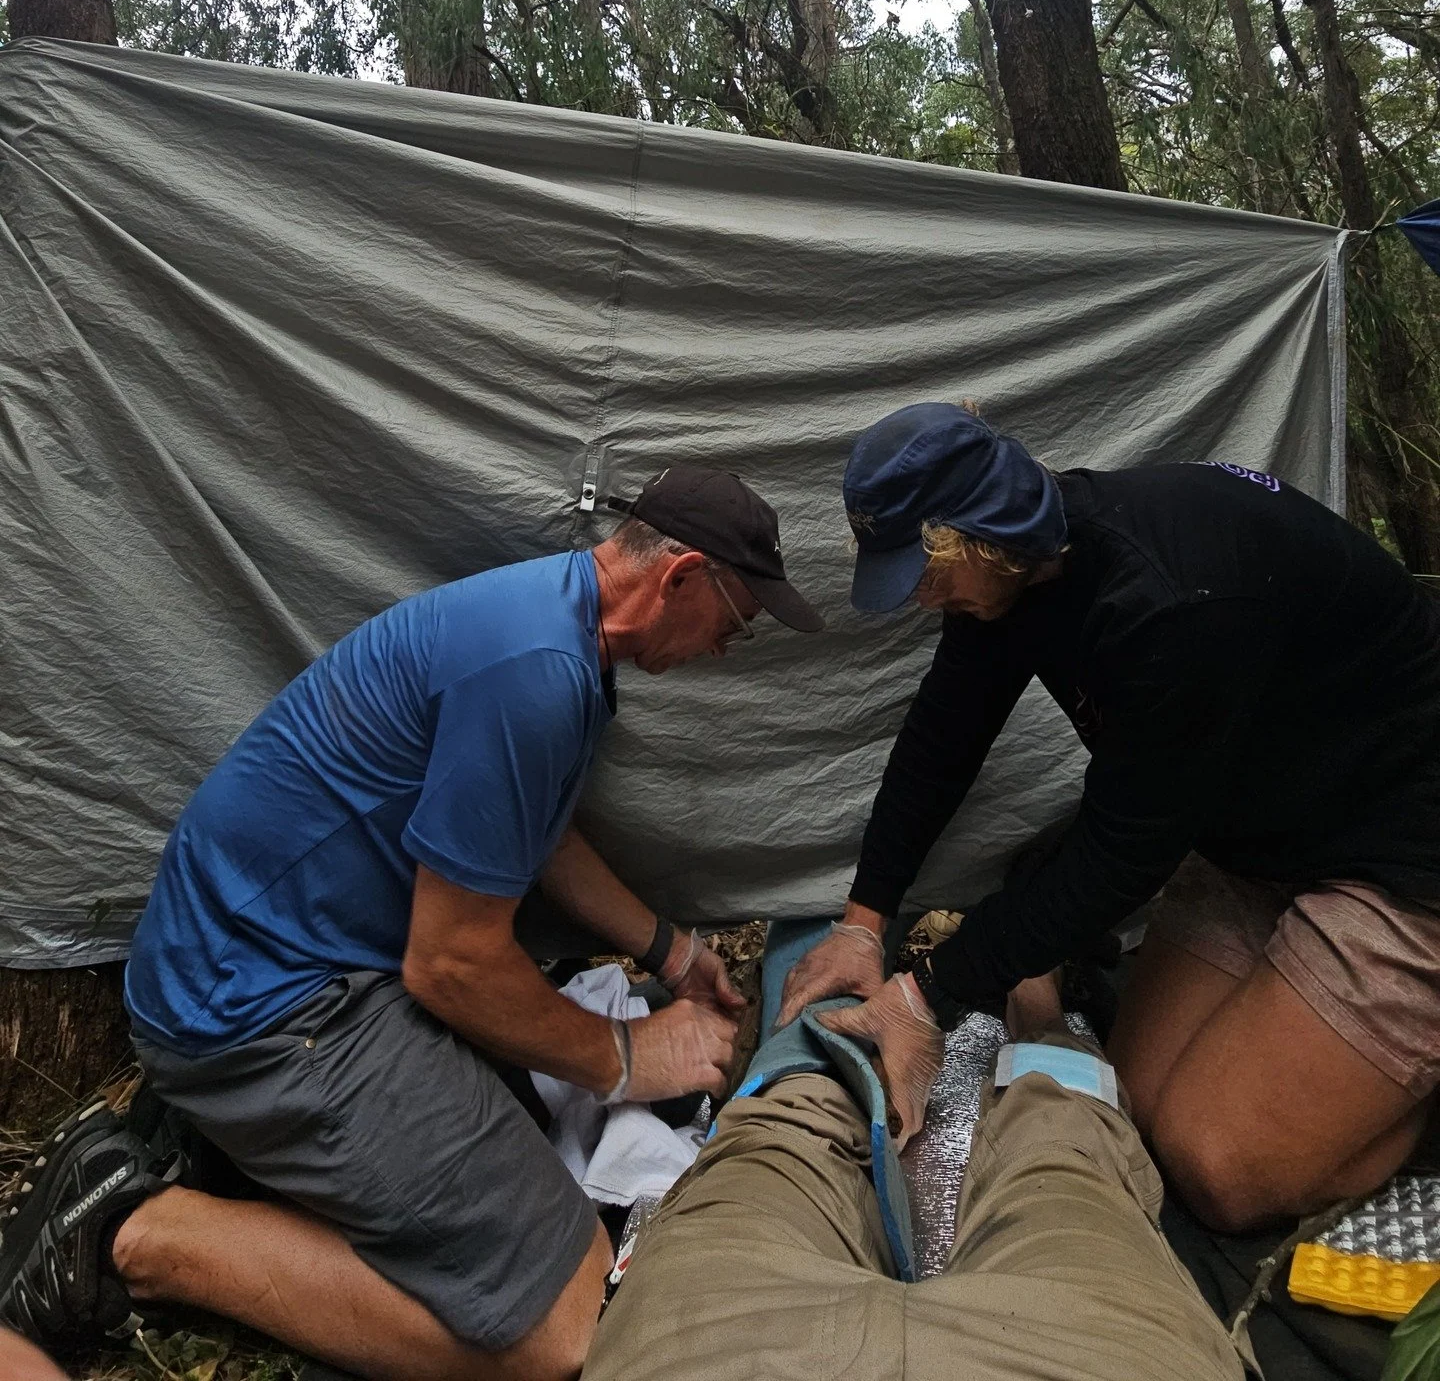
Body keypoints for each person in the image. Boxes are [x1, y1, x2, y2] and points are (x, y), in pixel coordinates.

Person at [0, 464, 823, 1381]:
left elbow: (535, 834)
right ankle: (130, 1230)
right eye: (736, 623)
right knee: (575, 1329)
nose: (724, 651)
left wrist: (672, 954)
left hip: (265, 969)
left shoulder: (551, 627)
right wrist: (628, 1060)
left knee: (520, 1141)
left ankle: (237, 1159)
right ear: (678, 579)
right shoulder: (538, 672)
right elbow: (453, 968)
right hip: (261, 1017)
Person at [780, 400, 1440, 1232]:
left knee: (1218, 1171)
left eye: (928, 577)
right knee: (1144, 1096)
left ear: (981, 539)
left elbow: (1122, 854)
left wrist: (925, 997)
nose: (919, 599)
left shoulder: (1167, 603)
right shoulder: (1013, 580)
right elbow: (941, 739)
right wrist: (862, 921)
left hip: (1406, 860)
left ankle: (1406, 1085)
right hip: (1260, 839)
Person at [584, 966, 1248, 1381]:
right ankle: (1037, 1015)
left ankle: (828, 989)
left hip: (712, 1354)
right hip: (1100, 1357)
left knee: (780, 1134)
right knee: (1067, 1153)